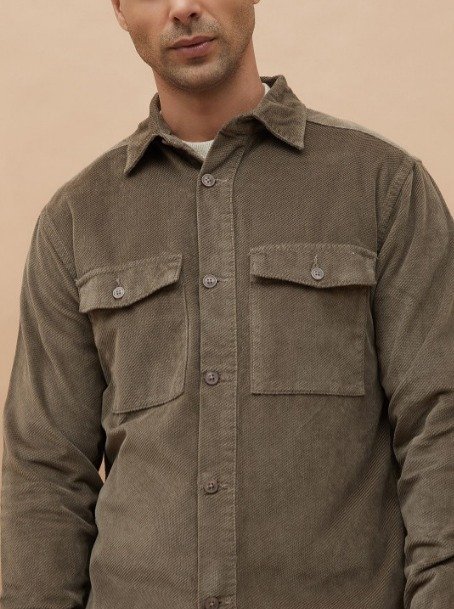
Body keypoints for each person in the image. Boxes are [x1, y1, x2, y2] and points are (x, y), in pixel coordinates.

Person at [1, 1, 453, 608]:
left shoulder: (384, 186)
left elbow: (439, 423)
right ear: (119, 9)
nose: (183, 7)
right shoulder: (76, 220)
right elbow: (44, 471)